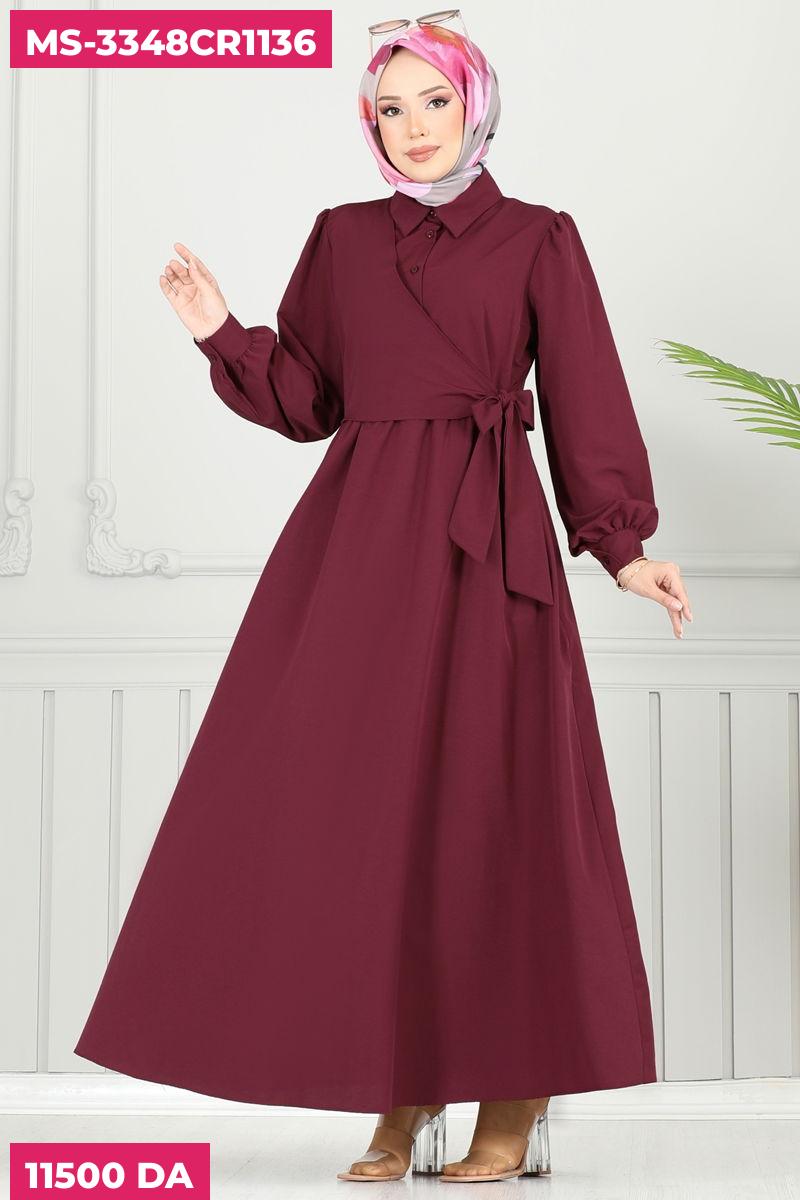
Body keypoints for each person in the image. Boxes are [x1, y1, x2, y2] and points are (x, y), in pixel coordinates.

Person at [74, 14, 693, 1186]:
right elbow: (307, 400)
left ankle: (513, 1100)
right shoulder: (342, 238)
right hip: (359, 553)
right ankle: (398, 1097)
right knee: (368, 821)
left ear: (476, 106)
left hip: (489, 553)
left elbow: (583, 394)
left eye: (433, 102)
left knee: (496, 818)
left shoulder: (538, 237)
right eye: (389, 110)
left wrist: (621, 549)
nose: (411, 128)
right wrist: (220, 332)